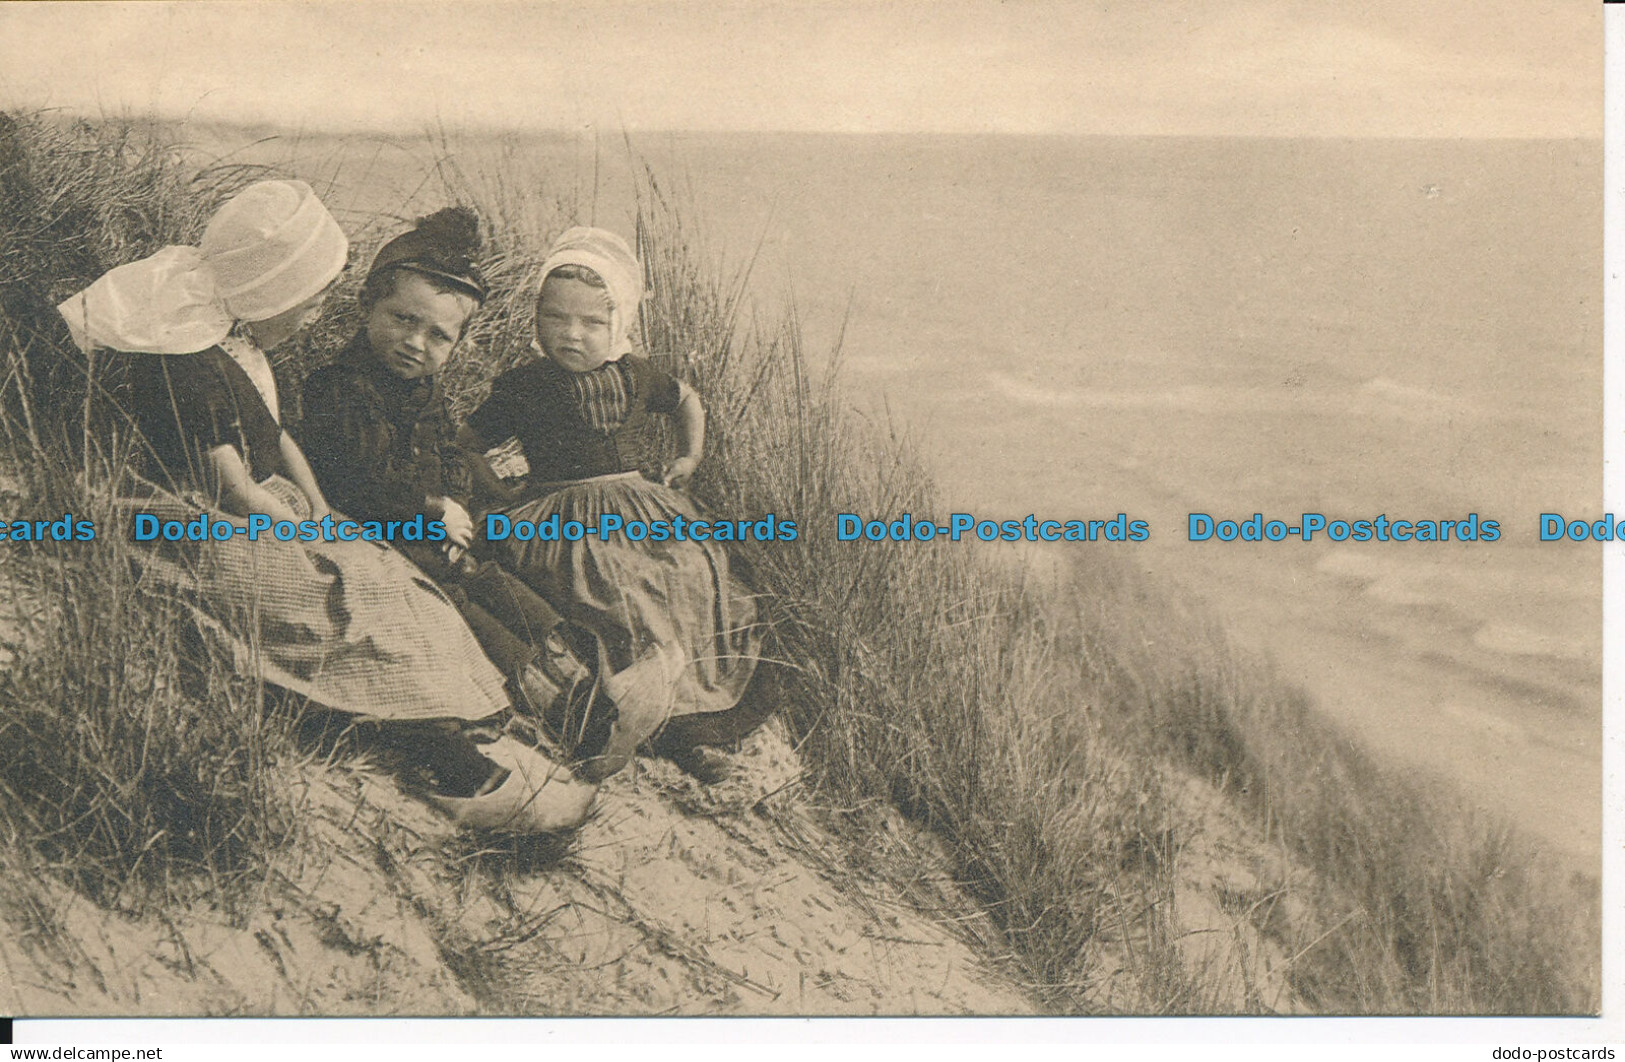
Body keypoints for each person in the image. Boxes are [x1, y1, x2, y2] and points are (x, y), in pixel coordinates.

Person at [57, 180, 596, 833]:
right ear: (266, 291)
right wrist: (298, 526)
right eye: (305, 303)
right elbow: (227, 484)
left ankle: (461, 723)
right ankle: (439, 755)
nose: (313, 317)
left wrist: (316, 508)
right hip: (201, 518)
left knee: (384, 576)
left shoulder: (232, 346)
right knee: (327, 600)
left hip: (266, 507)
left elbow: (276, 437)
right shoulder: (181, 365)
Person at [463, 226, 771, 783]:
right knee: (607, 576)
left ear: (619, 322)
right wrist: (496, 490)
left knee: (690, 567)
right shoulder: (524, 385)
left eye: (591, 322)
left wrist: (689, 457)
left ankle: (690, 715)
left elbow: (686, 401)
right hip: (559, 507)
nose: (571, 334)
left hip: (639, 500)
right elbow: (465, 440)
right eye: (555, 317)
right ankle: (626, 701)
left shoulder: (637, 374)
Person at [299, 207, 604, 757]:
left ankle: (578, 684)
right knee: (459, 607)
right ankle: (543, 709)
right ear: (368, 305)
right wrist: (434, 510)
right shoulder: (340, 388)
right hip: (372, 534)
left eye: (438, 335)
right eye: (402, 319)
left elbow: (450, 456)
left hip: (427, 532)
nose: (415, 342)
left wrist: (455, 507)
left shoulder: (427, 393)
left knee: (500, 578)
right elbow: (359, 482)